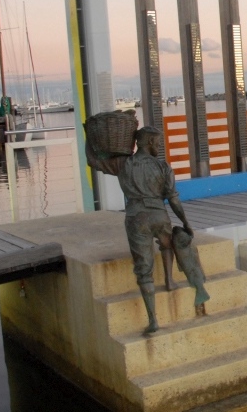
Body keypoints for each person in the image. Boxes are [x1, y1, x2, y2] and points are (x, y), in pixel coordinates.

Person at [86, 125, 208, 335]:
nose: (159, 147)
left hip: (136, 218)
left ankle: (153, 321)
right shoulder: (162, 167)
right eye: (158, 143)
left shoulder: (123, 163)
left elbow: (93, 160)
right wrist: (186, 222)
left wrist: (89, 135)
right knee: (168, 241)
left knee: (144, 271)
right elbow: (174, 199)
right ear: (149, 142)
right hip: (159, 214)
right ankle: (170, 280)